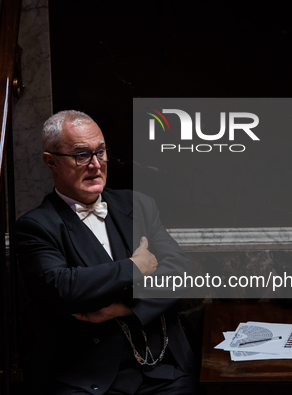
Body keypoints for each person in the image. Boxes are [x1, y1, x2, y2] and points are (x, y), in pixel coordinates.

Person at [15, 110, 196, 394]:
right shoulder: (35, 226)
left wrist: (123, 309)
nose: (95, 165)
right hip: (86, 379)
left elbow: (180, 273)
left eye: (101, 152)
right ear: (51, 161)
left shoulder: (138, 205)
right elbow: (65, 288)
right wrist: (135, 267)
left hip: (163, 369)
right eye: (81, 155)